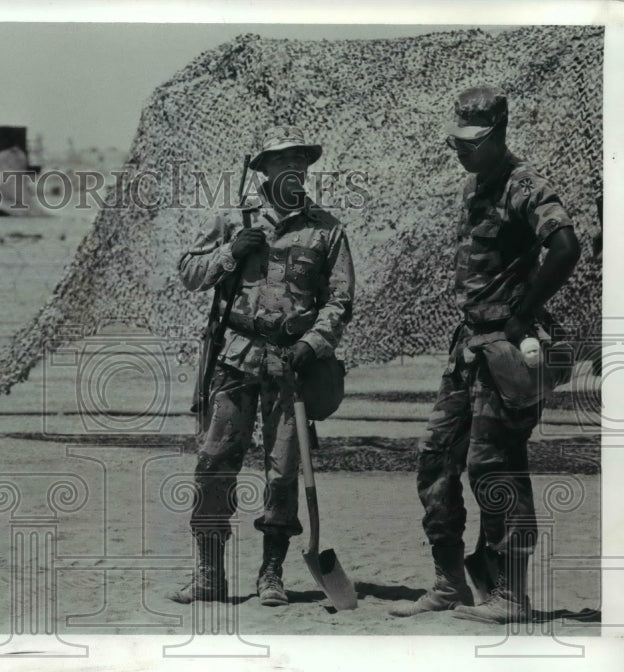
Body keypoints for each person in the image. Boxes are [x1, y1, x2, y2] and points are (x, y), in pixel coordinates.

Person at [391, 86, 580, 623]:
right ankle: (451, 582)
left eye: (472, 141)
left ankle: (510, 594)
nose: (461, 150)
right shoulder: (474, 185)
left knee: (495, 467)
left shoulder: (526, 186)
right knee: (435, 459)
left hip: (508, 350)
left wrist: (524, 311)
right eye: (457, 140)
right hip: (469, 347)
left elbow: (566, 247)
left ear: (497, 133)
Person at [169, 124, 355, 606]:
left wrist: (312, 345)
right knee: (214, 465)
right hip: (235, 359)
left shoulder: (327, 229)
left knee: (283, 469)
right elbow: (189, 273)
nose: (292, 169)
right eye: (280, 162)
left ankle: (271, 572)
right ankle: (209, 572)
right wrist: (231, 253)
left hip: (291, 365)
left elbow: (340, 301)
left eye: (300, 161)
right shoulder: (232, 221)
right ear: (262, 170)